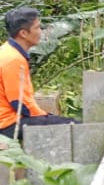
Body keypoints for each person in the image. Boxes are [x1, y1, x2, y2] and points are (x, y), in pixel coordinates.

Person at [1, 8, 79, 139]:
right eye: (37, 28)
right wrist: (45, 117)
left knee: (61, 122)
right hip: (8, 124)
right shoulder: (13, 59)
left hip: (10, 119)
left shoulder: (7, 51)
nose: (41, 32)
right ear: (24, 33)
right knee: (76, 127)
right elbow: (19, 103)